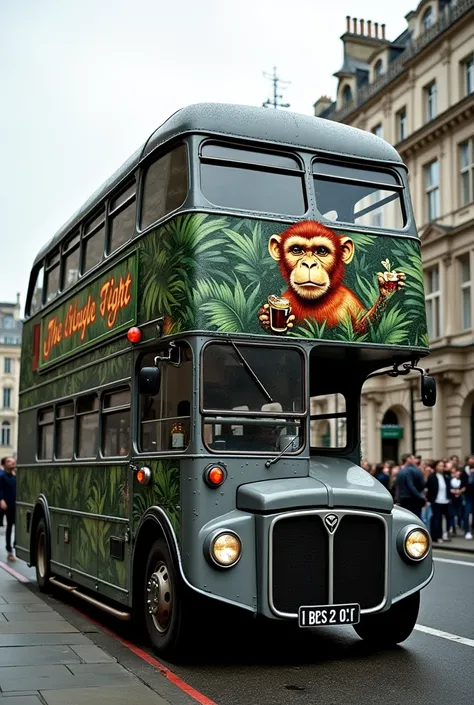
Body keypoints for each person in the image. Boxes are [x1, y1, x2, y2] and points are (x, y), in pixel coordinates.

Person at [426, 460, 451, 543]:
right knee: (437, 519)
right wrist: (429, 500)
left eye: (442, 465)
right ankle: (436, 536)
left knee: (446, 519)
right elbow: (428, 490)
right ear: (436, 467)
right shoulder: (432, 477)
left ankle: (445, 534)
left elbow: (448, 489)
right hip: (436, 501)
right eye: (439, 465)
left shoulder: (446, 477)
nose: (441, 467)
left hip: (446, 501)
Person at [396, 452, 426, 518]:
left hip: (402, 499)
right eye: (413, 458)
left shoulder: (400, 471)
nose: (414, 460)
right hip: (412, 500)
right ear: (408, 459)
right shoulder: (412, 470)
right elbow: (411, 485)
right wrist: (420, 497)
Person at [0, 457, 16, 561]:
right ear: (4, 465)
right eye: (9, 461)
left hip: (13, 505)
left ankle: (10, 550)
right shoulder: (2, 476)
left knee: (11, 526)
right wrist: (1, 499)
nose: (12, 463)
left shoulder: (15, 476)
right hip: (3, 505)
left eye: (13, 461)